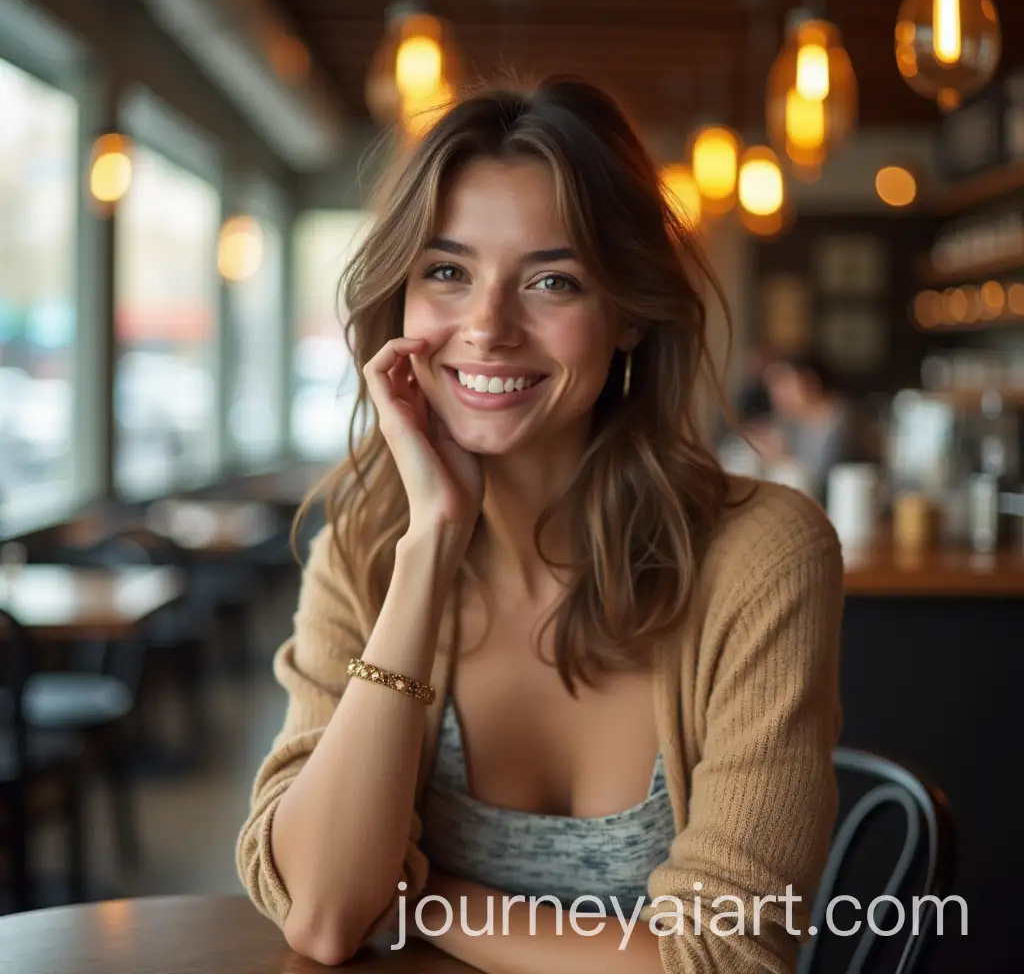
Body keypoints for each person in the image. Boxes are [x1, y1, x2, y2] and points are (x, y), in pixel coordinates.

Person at [237, 76, 843, 972]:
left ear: (630, 312)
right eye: (447, 272)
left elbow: (728, 960)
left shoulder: (763, 556)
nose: (487, 327)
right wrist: (430, 547)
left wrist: (416, 895)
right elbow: (325, 915)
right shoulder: (366, 550)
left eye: (553, 281)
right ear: (401, 299)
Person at [756, 353, 860, 505]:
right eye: (772, 387)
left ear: (810, 381)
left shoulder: (839, 420)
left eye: (783, 384)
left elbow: (821, 481)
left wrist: (782, 459)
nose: (776, 395)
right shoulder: (792, 422)